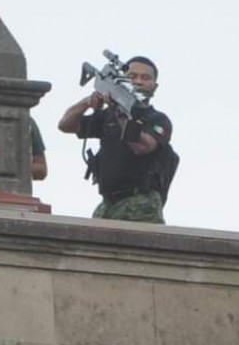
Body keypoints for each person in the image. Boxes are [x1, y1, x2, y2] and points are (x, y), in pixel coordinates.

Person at [57, 56, 173, 223]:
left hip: (141, 202)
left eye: (145, 78)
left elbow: (142, 146)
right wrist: (88, 102)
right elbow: (65, 125)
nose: (138, 81)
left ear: (154, 86)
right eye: (132, 77)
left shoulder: (157, 119)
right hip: (108, 202)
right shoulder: (108, 116)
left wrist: (120, 111)